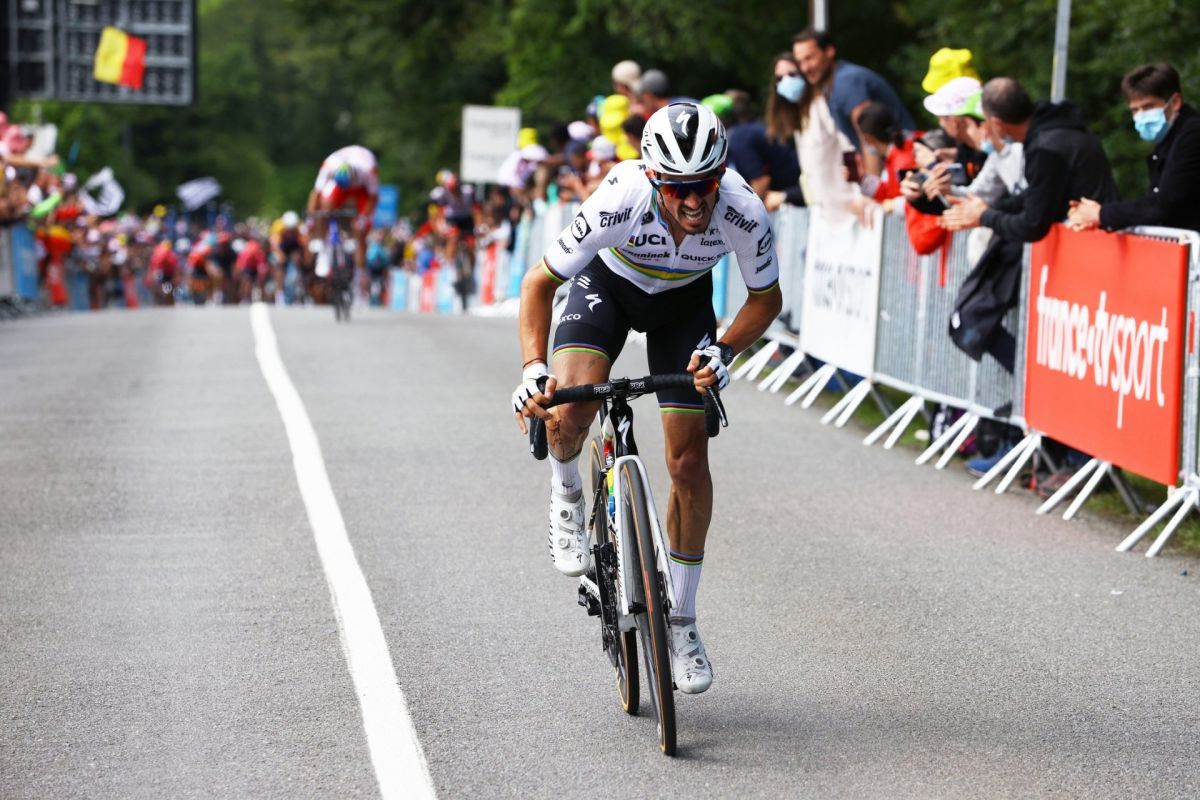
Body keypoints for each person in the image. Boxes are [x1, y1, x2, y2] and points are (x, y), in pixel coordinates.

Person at [511, 102, 782, 695]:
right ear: (655, 179)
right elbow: (538, 283)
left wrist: (725, 351)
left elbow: (766, 298)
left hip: (683, 305)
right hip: (608, 287)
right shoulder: (620, 197)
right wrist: (533, 370)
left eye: (705, 184)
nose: (695, 201)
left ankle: (681, 620)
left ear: (722, 175)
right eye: (679, 187)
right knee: (569, 409)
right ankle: (566, 492)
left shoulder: (742, 211)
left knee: (688, 462)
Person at [1068, 63, 1200, 234]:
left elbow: (1162, 205)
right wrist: (1095, 215)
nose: (1141, 116)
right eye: (1135, 110)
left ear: (1175, 102)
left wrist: (1100, 214)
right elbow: (1155, 203)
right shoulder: (1169, 138)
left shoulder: (1192, 135)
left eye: (1148, 107)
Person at [791, 28, 915, 178]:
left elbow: (868, 137)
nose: (805, 68)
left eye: (810, 58)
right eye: (800, 62)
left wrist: (873, 186)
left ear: (829, 51)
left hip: (904, 168)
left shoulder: (846, 82)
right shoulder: (833, 86)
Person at [307, 145, 379, 272]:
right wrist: (311, 219)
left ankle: (360, 271)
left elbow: (373, 197)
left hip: (362, 189)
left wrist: (362, 219)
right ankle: (324, 249)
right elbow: (316, 194)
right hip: (338, 185)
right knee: (324, 209)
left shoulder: (368, 170)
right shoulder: (328, 166)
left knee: (361, 229)